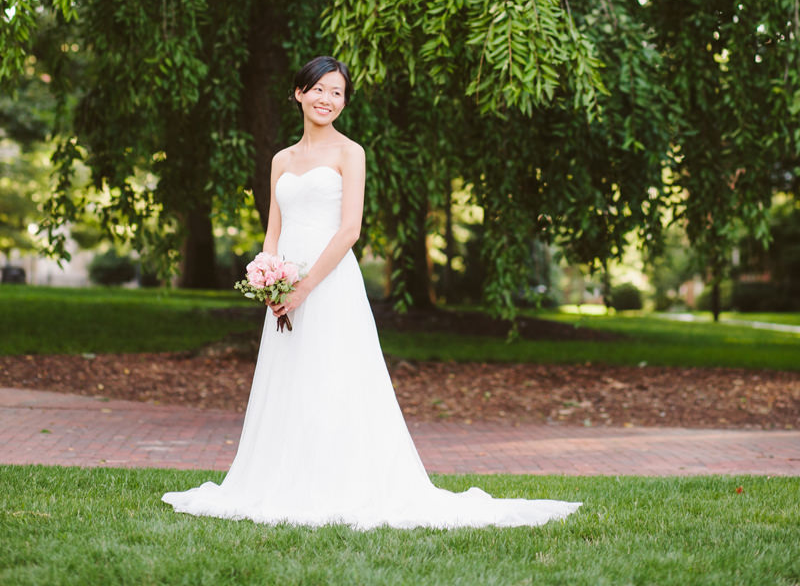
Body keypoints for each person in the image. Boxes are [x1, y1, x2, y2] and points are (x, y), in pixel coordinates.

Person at [162, 55, 581, 530]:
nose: (327, 100)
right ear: (299, 93)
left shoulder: (350, 153)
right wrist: (269, 278)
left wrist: (302, 288)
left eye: (336, 93)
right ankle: (282, 478)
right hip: (284, 289)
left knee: (334, 378)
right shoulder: (281, 159)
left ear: (343, 102)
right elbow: (272, 231)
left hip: (330, 283)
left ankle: (341, 482)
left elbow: (349, 231)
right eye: (318, 89)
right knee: (288, 381)